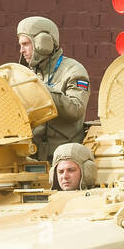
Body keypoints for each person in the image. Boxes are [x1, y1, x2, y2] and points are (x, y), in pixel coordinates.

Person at [17, 16, 91, 160]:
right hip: (32, 156)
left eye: (26, 44)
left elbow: (76, 109)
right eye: (20, 45)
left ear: (42, 43)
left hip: (64, 160)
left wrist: (43, 90)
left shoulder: (73, 70)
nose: (21, 50)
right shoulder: (29, 74)